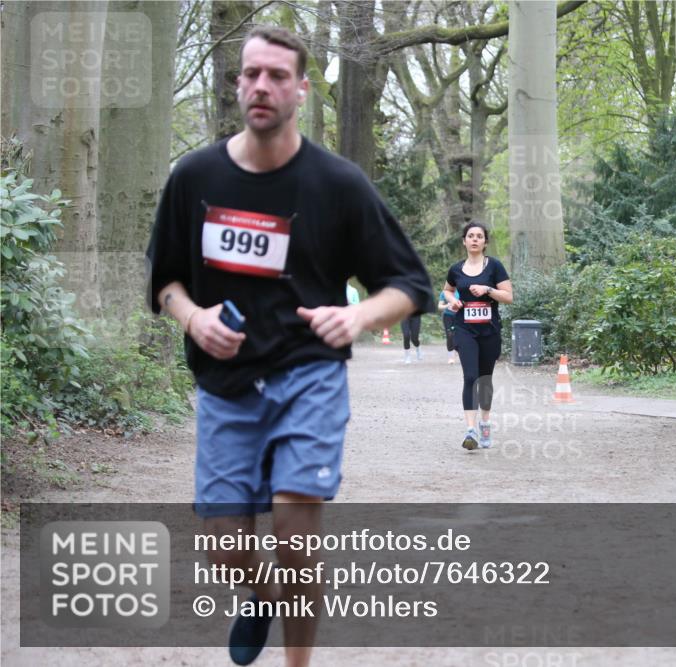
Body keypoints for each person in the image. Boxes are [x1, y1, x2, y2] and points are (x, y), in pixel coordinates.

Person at [145, 26, 433, 667]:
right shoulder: (195, 177)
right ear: (238, 83)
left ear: (302, 88)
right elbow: (164, 281)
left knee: (296, 535)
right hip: (226, 386)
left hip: (309, 376)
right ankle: (258, 592)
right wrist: (192, 319)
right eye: (251, 74)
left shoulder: (338, 184)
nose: (262, 86)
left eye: (278, 75)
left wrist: (356, 319)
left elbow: (408, 285)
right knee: (225, 549)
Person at [442, 222, 513, 450]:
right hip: (464, 329)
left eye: (479, 236)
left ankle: (484, 423)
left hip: (489, 330)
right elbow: (447, 289)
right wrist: (453, 301)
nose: (474, 239)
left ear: (485, 242)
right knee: (470, 377)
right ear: (464, 241)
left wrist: (488, 290)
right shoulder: (455, 269)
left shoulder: (495, 267)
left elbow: (509, 296)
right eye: (470, 236)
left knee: (484, 380)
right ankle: (470, 430)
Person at [437, 290, 457, 364]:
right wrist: (447, 305)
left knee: (458, 334)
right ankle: (451, 357)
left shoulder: (461, 290)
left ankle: (457, 351)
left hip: (459, 316)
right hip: (448, 316)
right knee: (450, 335)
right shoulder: (444, 293)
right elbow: (439, 306)